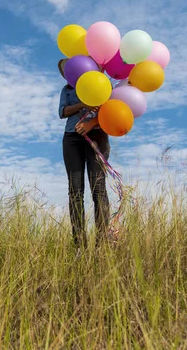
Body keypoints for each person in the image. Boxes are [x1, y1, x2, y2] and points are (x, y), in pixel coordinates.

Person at [58, 58, 110, 249]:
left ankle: (102, 245)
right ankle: (79, 245)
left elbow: (110, 110)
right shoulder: (67, 90)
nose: (68, 73)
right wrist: (82, 104)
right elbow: (62, 111)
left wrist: (90, 124)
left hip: (97, 137)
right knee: (75, 191)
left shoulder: (99, 82)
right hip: (71, 138)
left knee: (98, 189)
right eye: (65, 71)